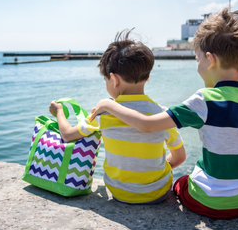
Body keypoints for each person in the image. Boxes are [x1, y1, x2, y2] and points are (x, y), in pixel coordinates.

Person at [90, 9, 238, 219]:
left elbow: (147, 125)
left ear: (210, 59)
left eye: (198, 59)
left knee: (182, 183)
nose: (198, 65)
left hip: (211, 203)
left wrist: (108, 105)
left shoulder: (204, 100)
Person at [49, 29, 186, 204]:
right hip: (157, 193)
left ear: (114, 79)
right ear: (147, 77)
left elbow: (67, 134)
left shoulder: (103, 113)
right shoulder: (162, 115)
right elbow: (179, 158)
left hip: (120, 193)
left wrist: (59, 111)